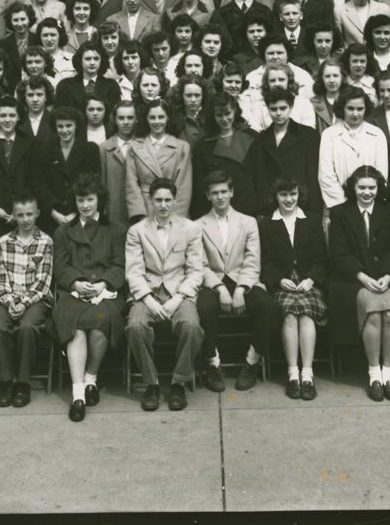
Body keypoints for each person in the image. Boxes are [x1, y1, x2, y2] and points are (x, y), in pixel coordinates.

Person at [327, 167, 390, 401]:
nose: (367, 192)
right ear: (353, 188)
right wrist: (362, 277)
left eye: (371, 187)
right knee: (373, 313)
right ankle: (374, 374)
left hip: (386, 279)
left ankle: (388, 374)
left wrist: (388, 276)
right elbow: (339, 254)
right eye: (361, 187)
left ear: (378, 188)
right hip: (352, 280)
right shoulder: (340, 213)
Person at [125, 177, 206, 411]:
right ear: (150, 201)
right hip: (147, 293)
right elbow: (134, 271)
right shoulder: (137, 231)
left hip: (179, 292)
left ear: (174, 200)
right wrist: (148, 299)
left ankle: (179, 382)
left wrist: (178, 299)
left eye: (167, 200)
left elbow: (195, 271)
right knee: (136, 327)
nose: (162, 205)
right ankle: (152, 383)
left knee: (191, 327)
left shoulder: (190, 229)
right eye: (158, 200)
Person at [52, 174, 127, 422]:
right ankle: (78, 395)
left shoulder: (116, 230)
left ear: (99, 200)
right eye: (80, 200)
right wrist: (75, 281)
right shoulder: (63, 232)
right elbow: (60, 267)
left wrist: (104, 283)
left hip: (105, 292)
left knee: (99, 323)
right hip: (73, 292)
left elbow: (120, 264)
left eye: (90, 199)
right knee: (76, 328)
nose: (85, 205)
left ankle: (91, 379)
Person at [194, 170, 277, 392]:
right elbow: (199, 264)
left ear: (232, 192)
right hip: (214, 281)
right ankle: (212, 363)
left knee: (266, 306)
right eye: (215, 193)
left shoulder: (248, 222)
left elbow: (253, 260)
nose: (220, 196)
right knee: (204, 307)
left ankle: (252, 361)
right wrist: (220, 288)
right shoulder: (198, 225)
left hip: (243, 280)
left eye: (224, 191)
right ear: (207, 196)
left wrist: (241, 289)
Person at [259, 176, 328, 401]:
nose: (289, 199)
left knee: (306, 314)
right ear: (276, 197)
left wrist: (312, 279)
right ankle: (292, 375)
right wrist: (278, 280)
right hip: (284, 282)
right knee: (289, 314)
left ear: (300, 195)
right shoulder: (268, 224)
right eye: (283, 195)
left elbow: (321, 259)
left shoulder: (311, 220)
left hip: (307, 281)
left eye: (293, 194)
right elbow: (266, 261)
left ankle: (307, 375)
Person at [0, 193, 53, 410]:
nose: (26, 219)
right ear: (13, 216)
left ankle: (23, 383)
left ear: (37, 214)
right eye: (20, 215)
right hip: (8, 298)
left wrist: (24, 303)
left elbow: (43, 281)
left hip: (35, 299)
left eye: (29, 214)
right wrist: (9, 302)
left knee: (27, 327)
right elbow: (0, 278)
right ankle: (7, 381)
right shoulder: (3, 242)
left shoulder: (45, 241)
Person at [0, 96, 45, 237]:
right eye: (3, 115)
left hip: (24, 217)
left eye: (12, 115)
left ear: (19, 117)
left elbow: (35, 181)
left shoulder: (30, 142)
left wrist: (21, 211)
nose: (7, 120)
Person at [250, 87, 321, 216]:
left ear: (291, 106)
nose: (278, 113)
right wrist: (262, 209)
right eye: (273, 109)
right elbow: (260, 177)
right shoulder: (261, 139)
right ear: (267, 108)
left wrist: (315, 212)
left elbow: (313, 176)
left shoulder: (309, 136)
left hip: (302, 203)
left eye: (283, 108)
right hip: (272, 205)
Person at [318, 87, 389, 211]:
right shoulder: (329, 135)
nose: (355, 114)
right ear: (342, 108)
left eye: (360, 109)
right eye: (350, 108)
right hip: (339, 206)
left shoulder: (377, 134)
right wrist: (343, 206)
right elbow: (326, 176)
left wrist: (365, 203)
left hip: (370, 204)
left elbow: (381, 174)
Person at [191, 91, 258, 218]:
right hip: (219, 211)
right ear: (213, 116)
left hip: (249, 208)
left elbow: (260, 176)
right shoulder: (202, 147)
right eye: (219, 115)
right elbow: (200, 188)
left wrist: (262, 210)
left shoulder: (252, 137)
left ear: (235, 111)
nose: (224, 119)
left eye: (228, 113)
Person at [125, 99, 193, 220]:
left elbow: (183, 188)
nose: (157, 122)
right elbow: (131, 186)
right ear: (146, 119)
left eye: (161, 117)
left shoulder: (182, 147)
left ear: (168, 118)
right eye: (152, 117)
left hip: (173, 209)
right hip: (146, 208)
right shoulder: (134, 147)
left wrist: (176, 218)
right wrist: (139, 215)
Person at [38, 106, 102, 232]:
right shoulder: (44, 150)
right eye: (60, 126)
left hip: (82, 214)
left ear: (76, 126)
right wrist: (53, 212)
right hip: (51, 217)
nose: (64, 130)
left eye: (69, 125)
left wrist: (76, 212)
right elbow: (39, 183)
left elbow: (94, 183)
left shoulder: (90, 150)